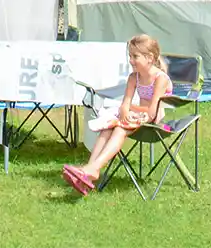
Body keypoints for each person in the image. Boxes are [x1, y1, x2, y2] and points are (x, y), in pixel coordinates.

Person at [63, 34, 172, 195]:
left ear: (149, 58)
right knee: (108, 127)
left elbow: (152, 113)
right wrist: (126, 112)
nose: (130, 60)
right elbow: (125, 104)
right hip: (138, 117)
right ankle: (89, 170)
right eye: (130, 56)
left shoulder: (160, 79)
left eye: (135, 56)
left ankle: (93, 169)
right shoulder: (133, 77)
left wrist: (130, 112)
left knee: (120, 129)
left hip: (154, 121)